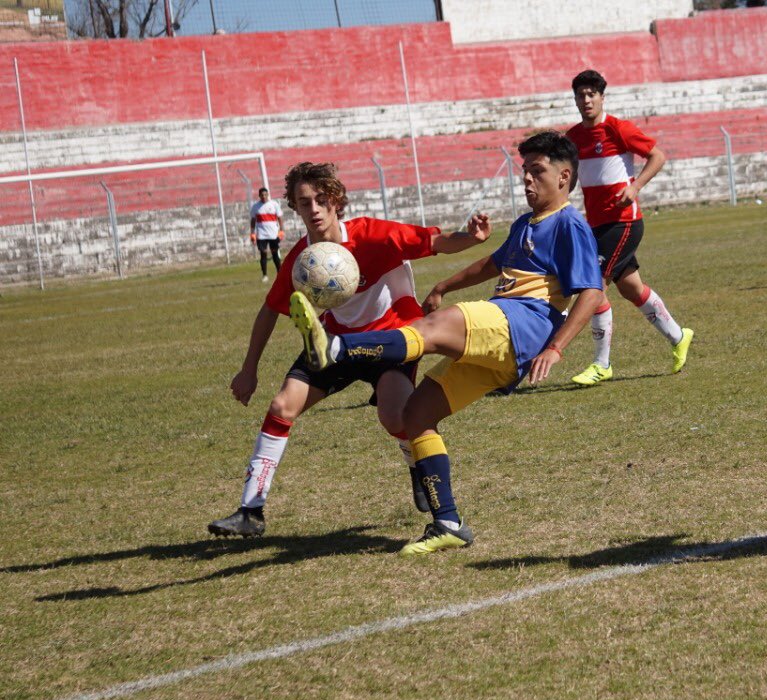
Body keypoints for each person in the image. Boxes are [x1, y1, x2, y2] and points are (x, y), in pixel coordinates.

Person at [289, 131, 604, 555]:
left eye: (537, 172)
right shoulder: (526, 224)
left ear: (564, 177)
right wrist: (443, 283)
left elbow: (592, 292)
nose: (526, 180)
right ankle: (448, 522)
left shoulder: (569, 223)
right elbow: (492, 263)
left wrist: (557, 347)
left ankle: (339, 350)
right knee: (415, 414)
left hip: (522, 325)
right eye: (524, 171)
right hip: (504, 346)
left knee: (434, 328)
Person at [209, 162, 490, 537]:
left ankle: (415, 463)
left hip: (392, 338)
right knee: (281, 406)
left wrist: (473, 238)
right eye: (303, 202)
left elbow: (435, 242)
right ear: (294, 207)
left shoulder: (374, 235)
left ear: (336, 201)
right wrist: (249, 369)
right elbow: (269, 310)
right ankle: (250, 510)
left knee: (395, 418)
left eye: (321, 200)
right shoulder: (302, 260)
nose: (314, 209)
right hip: (337, 344)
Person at [564, 69, 693, 387]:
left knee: (594, 288)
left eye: (592, 93)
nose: (586, 99)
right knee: (630, 288)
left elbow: (657, 156)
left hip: (624, 222)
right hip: (597, 224)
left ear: (601, 97)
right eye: (581, 94)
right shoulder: (573, 137)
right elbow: (573, 174)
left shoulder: (618, 128)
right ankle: (679, 336)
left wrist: (635, 188)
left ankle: (601, 364)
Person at [250, 187, 286, 283]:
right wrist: (252, 233)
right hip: (261, 235)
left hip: (273, 235)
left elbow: (280, 218)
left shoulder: (274, 204)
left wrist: (281, 231)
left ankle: (280, 273)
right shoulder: (255, 207)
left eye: (265, 195)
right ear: (259, 196)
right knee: (263, 254)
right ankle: (265, 275)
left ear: (268, 195)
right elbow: (253, 221)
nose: (264, 197)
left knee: (275, 254)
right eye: (262, 195)